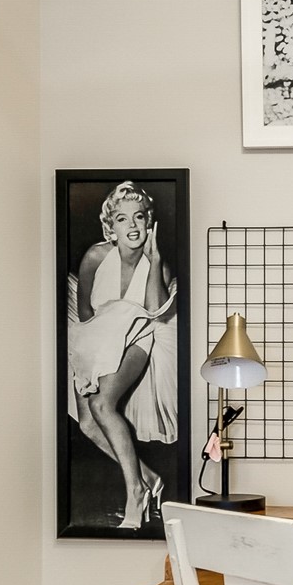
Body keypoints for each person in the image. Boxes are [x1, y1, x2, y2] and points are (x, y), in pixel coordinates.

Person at [67, 182, 178, 528]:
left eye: (139, 217)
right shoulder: (95, 257)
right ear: (109, 228)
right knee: (88, 424)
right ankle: (150, 480)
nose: (132, 226)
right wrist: (95, 355)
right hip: (96, 338)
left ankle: (135, 494)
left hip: (138, 338)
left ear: (149, 223)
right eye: (121, 218)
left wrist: (156, 258)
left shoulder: (156, 264)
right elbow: (85, 314)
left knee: (102, 406)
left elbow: (158, 311)